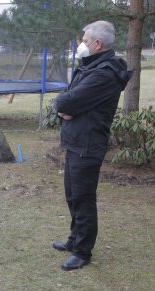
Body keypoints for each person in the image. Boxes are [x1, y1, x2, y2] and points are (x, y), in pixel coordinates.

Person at [53, 21, 132, 271]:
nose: (81, 45)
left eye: (85, 41)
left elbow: (68, 100)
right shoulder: (92, 66)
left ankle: (82, 251)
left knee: (83, 198)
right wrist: (65, 108)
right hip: (76, 141)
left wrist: (65, 107)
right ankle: (74, 239)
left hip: (88, 144)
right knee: (72, 195)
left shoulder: (104, 74)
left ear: (97, 44)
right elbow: (68, 100)